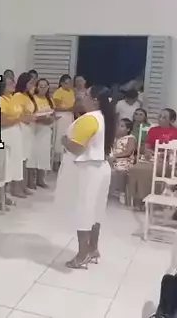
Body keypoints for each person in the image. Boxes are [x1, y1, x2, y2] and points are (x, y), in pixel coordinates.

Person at [54, 85, 114, 269]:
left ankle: (82, 255)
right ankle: (93, 248)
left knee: (84, 211)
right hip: (100, 167)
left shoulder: (89, 119)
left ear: (95, 100)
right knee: (95, 211)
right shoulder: (105, 117)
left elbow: (77, 147)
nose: (82, 96)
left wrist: (64, 140)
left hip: (87, 170)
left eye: (86, 94)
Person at [127, 108, 177, 210]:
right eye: (160, 116)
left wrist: (165, 154)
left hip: (166, 161)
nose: (160, 119)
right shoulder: (153, 130)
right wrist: (147, 152)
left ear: (171, 120)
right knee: (135, 168)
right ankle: (137, 200)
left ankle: (146, 202)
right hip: (152, 157)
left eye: (164, 117)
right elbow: (146, 146)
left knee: (148, 171)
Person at [0, 77, 31, 199]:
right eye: (10, 83)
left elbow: (19, 115)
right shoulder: (0, 101)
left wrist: (26, 118)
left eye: (13, 82)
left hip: (16, 133)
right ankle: (1, 197)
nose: (13, 84)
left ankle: (11, 191)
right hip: (6, 134)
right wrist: (19, 119)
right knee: (6, 165)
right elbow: (1, 122)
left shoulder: (13, 99)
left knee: (15, 163)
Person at [14, 73, 37, 193]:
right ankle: (16, 187)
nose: (33, 85)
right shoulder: (18, 96)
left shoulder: (28, 96)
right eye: (31, 83)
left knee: (26, 158)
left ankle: (23, 186)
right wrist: (27, 118)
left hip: (29, 129)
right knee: (20, 158)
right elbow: (17, 114)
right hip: (21, 128)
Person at [29, 78, 54, 189]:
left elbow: (53, 113)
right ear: (37, 87)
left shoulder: (50, 100)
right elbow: (31, 115)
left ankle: (41, 179)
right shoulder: (33, 99)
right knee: (33, 155)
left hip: (46, 131)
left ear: (48, 87)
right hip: (35, 130)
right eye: (40, 86)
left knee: (44, 155)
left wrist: (51, 119)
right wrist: (42, 119)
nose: (43, 88)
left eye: (45, 86)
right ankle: (31, 181)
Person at [109, 118, 136, 204]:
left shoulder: (130, 138)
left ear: (128, 129)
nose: (118, 127)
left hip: (125, 160)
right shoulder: (115, 138)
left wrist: (115, 156)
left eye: (122, 126)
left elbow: (128, 152)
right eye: (118, 125)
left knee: (121, 171)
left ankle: (122, 192)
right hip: (113, 159)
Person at [53, 74, 75, 169]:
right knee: (60, 137)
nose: (68, 85)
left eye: (70, 83)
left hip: (70, 116)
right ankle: (57, 161)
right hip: (62, 116)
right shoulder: (58, 92)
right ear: (61, 83)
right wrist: (68, 109)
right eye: (66, 83)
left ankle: (66, 160)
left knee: (68, 136)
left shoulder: (71, 92)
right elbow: (56, 107)